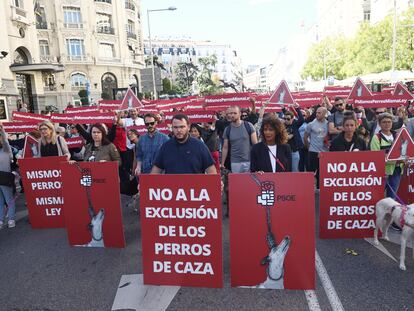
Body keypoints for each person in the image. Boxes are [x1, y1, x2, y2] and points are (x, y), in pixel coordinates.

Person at [151, 114, 216, 174]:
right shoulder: (165, 147)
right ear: (172, 128)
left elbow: (211, 171)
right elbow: (154, 172)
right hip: (171, 186)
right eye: (175, 127)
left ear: (188, 127)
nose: (179, 130)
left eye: (182, 127)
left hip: (195, 186)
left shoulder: (200, 146)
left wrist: (216, 183)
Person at [370, 113, 404, 200]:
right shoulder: (376, 138)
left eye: (389, 122)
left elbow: (403, 152)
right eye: (384, 122)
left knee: (392, 198)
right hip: (382, 173)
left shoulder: (397, 136)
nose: (387, 124)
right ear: (379, 124)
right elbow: (376, 157)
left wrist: (404, 160)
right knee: (377, 197)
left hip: (396, 170)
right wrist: (395, 160)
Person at [221, 106, 258, 173]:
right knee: (237, 182)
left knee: (249, 182)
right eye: (230, 113)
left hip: (248, 161)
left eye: (235, 113)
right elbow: (225, 147)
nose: (232, 115)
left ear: (240, 114)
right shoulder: (227, 129)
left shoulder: (249, 126)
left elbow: (255, 145)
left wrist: (257, 160)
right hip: (234, 162)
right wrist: (222, 163)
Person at [303, 107, 329, 189]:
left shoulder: (328, 124)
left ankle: (320, 190)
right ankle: (309, 190)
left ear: (324, 114)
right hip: (313, 151)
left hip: (324, 153)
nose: (317, 114)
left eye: (319, 113)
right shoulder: (311, 124)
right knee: (311, 173)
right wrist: (309, 147)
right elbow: (305, 137)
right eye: (316, 112)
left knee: (321, 174)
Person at [0, 123, 16, 229]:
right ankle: (1, 220)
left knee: (9, 199)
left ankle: (11, 219)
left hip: (5, 178)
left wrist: (2, 130)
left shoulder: (6, 149)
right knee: (0, 201)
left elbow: (5, 141)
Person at [283, 102, 304, 172]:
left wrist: (297, 108)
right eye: (285, 119)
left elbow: (301, 120)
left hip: (294, 151)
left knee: (294, 170)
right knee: (286, 170)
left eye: (288, 119)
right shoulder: (282, 125)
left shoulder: (295, 124)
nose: (286, 120)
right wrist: (283, 108)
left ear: (292, 119)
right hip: (285, 152)